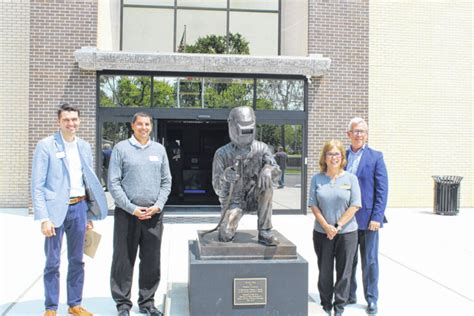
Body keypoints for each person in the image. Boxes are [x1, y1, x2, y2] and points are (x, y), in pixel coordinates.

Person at [31, 103, 108, 316]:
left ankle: (75, 304)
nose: (70, 123)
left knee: (77, 259)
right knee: (53, 261)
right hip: (55, 212)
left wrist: (89, 213)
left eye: (74, 119)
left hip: (79, 208)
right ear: (59, 121)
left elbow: (89, 182)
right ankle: (51, 307)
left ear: (79, 121)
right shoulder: (46, 145)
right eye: (66, 120)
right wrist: (43, 217)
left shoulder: (84, 146)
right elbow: (37, 185)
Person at [108, 112, 171, 316]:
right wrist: (132, 208)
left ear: (150, 127)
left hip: (153, 215)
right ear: (132, 126)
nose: (144, 127)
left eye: (147, 124)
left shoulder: (159, 150)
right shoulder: (121, 149)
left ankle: (147, 302)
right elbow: (113, 183)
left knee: (151, 260)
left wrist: (158, 205)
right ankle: (123, 305)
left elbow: (166, 181)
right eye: (140, 124)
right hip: (127, 214)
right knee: (123, 259)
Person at [212, 106, 281, 246]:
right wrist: (225, 178)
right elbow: (217, 189)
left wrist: (269, 169)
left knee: (267, 187)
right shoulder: (222, 154)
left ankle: (265, 230)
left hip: (254, 196)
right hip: (233, 201)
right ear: (230, 125)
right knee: (224, 236)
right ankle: (229, 225)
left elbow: (277, 172)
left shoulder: (262, 149)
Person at [308, 139, 361, 316]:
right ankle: (326, 303)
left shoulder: (351, 179)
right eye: (330, 153)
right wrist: (326, 226)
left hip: (347, 233)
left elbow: (354, 206)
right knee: (324, 270)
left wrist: (337, 226)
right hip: (322, 233)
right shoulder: (317, 178)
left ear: (342, 157)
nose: (333, 157)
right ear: (324, 157)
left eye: (337, 153)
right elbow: (313, 205)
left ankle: (339, 305)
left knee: (344, 271)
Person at [345, 117, 388, 315]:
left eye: (362, 131)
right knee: (348, 260)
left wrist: (377, 217)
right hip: (346, 220)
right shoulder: (341, 157)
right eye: (355, 131)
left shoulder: (376, 157)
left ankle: (371, 298)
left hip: (369, 220)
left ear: (367, 135)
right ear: (349, 134)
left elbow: (382, 190)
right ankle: (349, 294)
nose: (359, 134)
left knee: (369, 262)